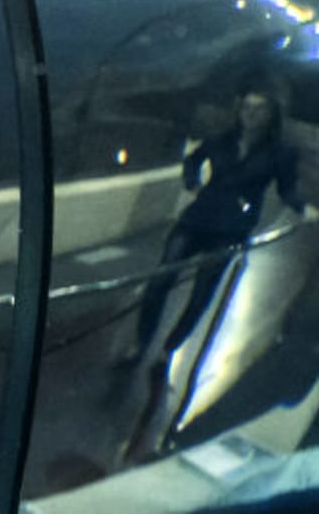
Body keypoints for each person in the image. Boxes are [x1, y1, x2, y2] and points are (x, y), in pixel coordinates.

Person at [128, 66, 306, 369]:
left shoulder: (281, 153)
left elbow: (287, 189)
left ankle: (168, 349)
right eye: (247, 107)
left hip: (232, 229)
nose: (251, 114)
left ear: (271, 114)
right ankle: (141, 343)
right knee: (160, 281)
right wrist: (192, 182)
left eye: (259, 109)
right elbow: (192, 161)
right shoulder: (218, 141)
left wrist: (304, 208)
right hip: (197, 218)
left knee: (201, 294)